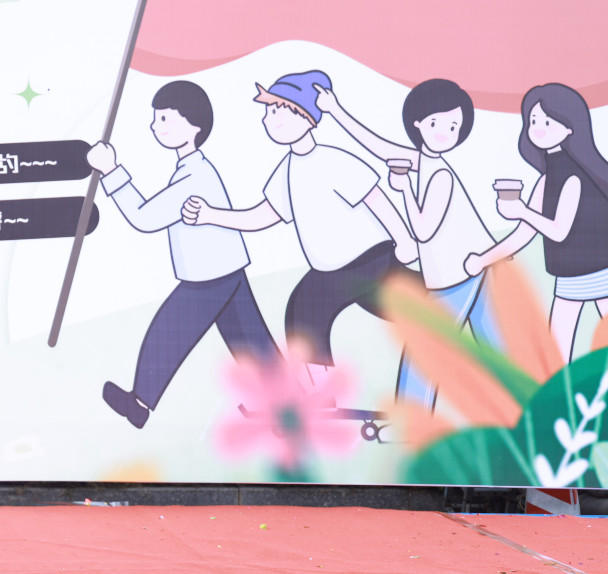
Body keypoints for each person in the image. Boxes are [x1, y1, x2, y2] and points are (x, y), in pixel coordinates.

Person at [182, 70, 417, 391]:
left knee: (408, 307)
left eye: (276, 110)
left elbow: (375, 198)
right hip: (330, 271)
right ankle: (322, 396)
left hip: (371, 260)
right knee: (305, 316)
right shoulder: (287, 170)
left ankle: (455, 308)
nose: (267, 118)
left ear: (305, 116)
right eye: (268, 111)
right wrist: (212, 215)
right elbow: (262, 215)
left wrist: (405, 239)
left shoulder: (333, 159)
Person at [87, 80, 280, 428]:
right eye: (155, 118)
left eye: (164, 118)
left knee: (168, 332)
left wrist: (112, 171)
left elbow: (145, 218)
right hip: (223, 270)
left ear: (194, 126)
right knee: (251, 341)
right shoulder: (191, 169)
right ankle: (286, 405)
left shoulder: (194, 176)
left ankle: (140, 403)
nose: (155, 125)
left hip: (210, 276)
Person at [315, 78, 500, 409]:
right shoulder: (424, 161)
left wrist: (403, 191)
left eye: (454, 126)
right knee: (495, 352)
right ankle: (523, 410)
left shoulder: (441, 175)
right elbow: (378, 147)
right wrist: (335, 110)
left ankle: (413, 417)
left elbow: (423, 231)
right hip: (467, 270)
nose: (445, 133)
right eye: (436, 123)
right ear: (417, 124)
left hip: (461, 273)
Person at [465, 83, 608, 361]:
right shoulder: (547, 178)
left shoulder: (574, 174)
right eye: (533, 120)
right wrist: (483, 260)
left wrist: (522, 210)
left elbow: (558, 230)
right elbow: (524, 234)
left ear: (570, 127)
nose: (538, 128)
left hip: (598, 271)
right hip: (569, 276)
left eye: (547, 121)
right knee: (556, 351)